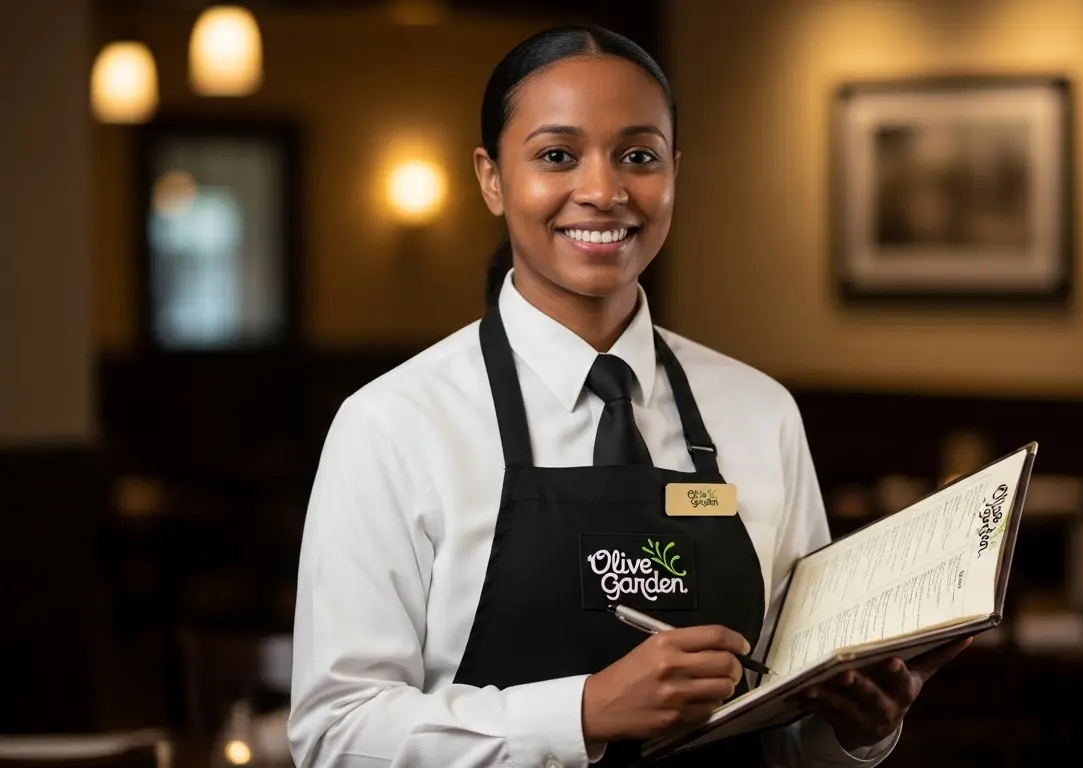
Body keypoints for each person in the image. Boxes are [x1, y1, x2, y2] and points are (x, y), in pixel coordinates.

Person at [286, 24, 969, 768]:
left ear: (675, 172)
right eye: (557, 156)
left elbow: (787, 728)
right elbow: (335, 733)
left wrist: (857, 732)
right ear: (491, 179)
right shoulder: (392, 425)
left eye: (638, 157)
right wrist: (583, 712)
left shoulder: (761, 413)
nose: (604, 192)